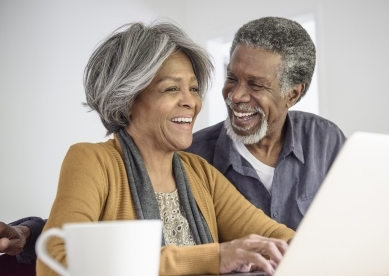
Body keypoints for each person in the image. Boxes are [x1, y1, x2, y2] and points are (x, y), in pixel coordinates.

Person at [1, 16, 345, 269]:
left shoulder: (200, 173)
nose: (191, 102)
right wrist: (216, 256)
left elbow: (275, 236)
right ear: (128, 98)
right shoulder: (92, 161)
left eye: (194, 88)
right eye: (171, 89)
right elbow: (57, 260)